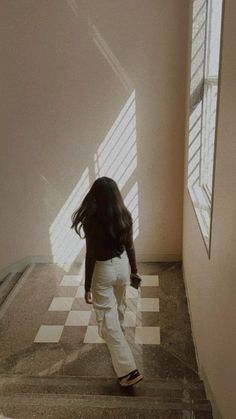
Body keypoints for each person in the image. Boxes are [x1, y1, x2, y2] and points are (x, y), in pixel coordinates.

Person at [71, 176, 143, 387]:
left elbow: (90, 255)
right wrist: (134, 272)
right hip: (121, 267)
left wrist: (87, 287)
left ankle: (128, 370)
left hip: (102, 271)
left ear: (96, 196)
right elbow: (130, 247)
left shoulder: (91, 221)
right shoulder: (125, 215)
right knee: (118, 306)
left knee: (106, 318)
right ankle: (117, 336)